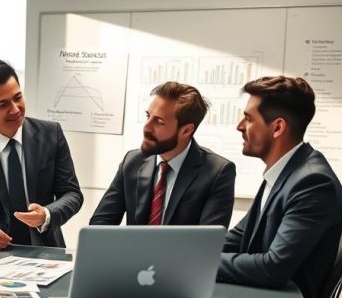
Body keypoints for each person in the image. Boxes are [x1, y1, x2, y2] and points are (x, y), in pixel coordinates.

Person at [218, 76, 342, 298]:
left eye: (248, 119)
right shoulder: (284, 172)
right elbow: (238, 239)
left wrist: (199, 264)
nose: (239, 126)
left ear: (277, 127)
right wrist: (188, 252)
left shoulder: (313, 183)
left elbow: (273, 268)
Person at [0, 60, 83, 249]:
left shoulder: (52, 134)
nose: (15, 109)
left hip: (47, 251)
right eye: (2, 104)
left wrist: (47, 214)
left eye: (17, 97)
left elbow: (72, 193)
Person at [90, 82, 235, 227]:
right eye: (148, 116)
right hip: (132, 250)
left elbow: (207, 242)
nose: (146, 127)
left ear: (186, 130)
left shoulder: (218, 172)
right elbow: (100, 224)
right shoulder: (132, 161)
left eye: (159, 122)